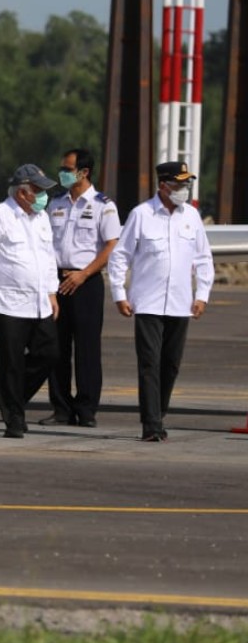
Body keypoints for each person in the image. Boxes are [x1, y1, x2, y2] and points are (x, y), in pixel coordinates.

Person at [107, 161, 214, 442]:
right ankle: (151, 424)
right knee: (149, 363)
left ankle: (159, 411)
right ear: (163, 186)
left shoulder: (192, 216)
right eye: (179, 185)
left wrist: (202, 295)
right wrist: (119, 293)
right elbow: (120, 256)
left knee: (171, 364)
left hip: (180, 303)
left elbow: (204, 259)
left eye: (186, 184)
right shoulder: (141, 215)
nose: (184, 190)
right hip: (148, 303)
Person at [0, 164, 60, 439]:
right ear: (23, 193)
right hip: (6, 302)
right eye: (39, 190)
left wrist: (52, 292)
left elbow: (48, 257)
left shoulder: (41, 217)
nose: (44, 195)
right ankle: (14, 419)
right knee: (11, 362)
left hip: (39, 301)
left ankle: (11, 397)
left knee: (49, 354)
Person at [40, 149, 122, 428]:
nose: (62, 172)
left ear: (84, 172)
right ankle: (61, 408)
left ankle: (86, 410)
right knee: (56, 348)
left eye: (67, 168)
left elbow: (111, 245)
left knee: (87, 349)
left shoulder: (103, 205)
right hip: (57, 281)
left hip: (86, 283)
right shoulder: (56, 203)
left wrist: (84, 274)